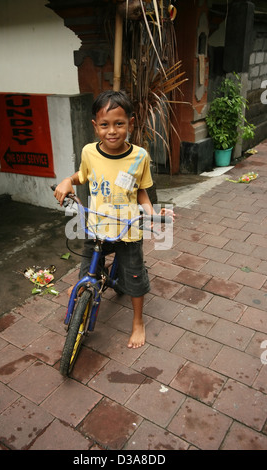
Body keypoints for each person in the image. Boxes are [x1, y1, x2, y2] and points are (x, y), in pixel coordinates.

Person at [54, 90, 170, 349]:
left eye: (119, 123)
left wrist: (151, 215)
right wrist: (66, 181)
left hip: (128, 231)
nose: (112, 131)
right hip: (96, 227)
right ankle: (81, 310)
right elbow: (80, 177)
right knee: (87, 274)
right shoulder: (88, 153)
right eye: (105, 125)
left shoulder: (139, 156)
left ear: (130, 122)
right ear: (95, 126)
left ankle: (138, 321)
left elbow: (141, 191)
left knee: (135, 278)